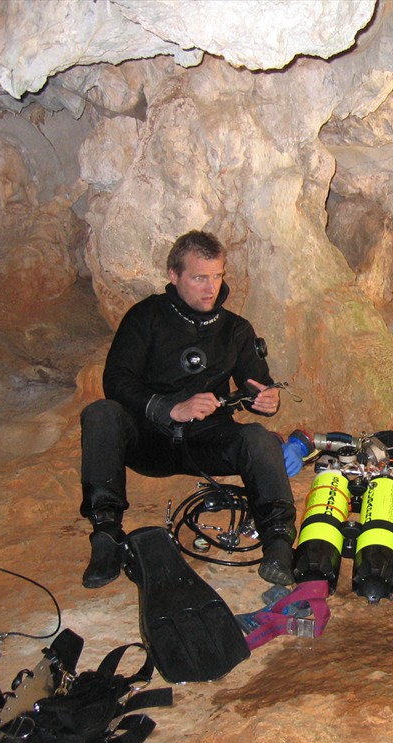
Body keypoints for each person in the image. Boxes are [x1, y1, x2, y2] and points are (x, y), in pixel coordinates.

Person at [78, 230, 305, 589]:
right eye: (200, 277)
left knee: (258, 439)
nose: (210, 287)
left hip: (205, 439)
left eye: (217, 276)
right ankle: (106, 534)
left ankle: (278, 544)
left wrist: (266, 401)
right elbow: (117, 381)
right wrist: (169, 408)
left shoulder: (235, 329)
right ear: (173, 274)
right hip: (148, 439)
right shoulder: (145, 317)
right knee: (101, 413)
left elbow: (256, 384)